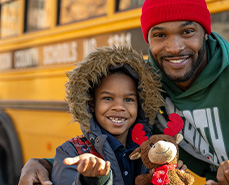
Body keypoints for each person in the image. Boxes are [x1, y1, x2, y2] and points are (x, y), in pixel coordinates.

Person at [18, 0, 229, 184]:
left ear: (206, 33)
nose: (174, 48)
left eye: (187, 32)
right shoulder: (146, 84)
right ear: (148, 40)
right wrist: (43, 163)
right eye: (160, 35)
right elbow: (125, 146)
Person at [51, 46, 164, 185]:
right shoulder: (71, 152)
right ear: (91, 104)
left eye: (128, 100)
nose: (119, 107)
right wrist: (91, 180)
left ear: (141, 105)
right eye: (108, 98)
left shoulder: (153, 150)